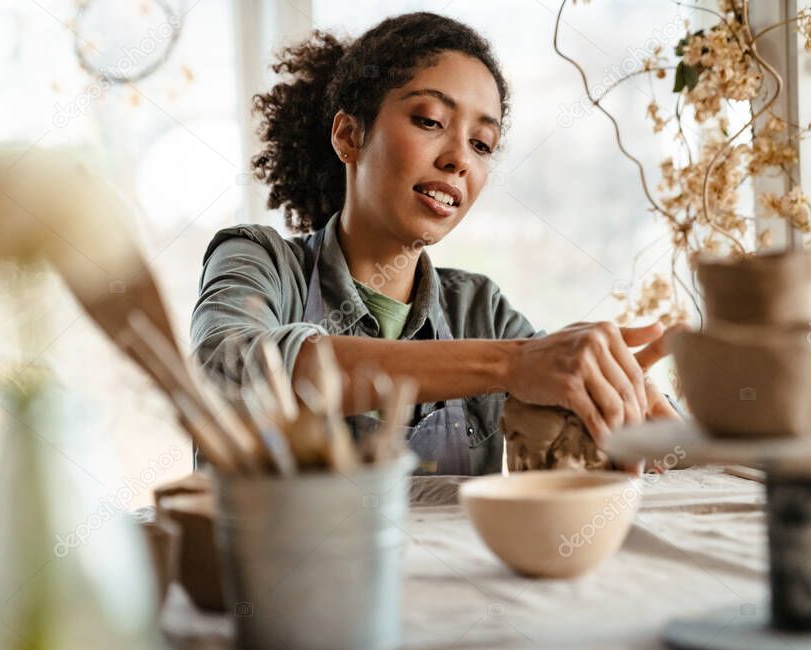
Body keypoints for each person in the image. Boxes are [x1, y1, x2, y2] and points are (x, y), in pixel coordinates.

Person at [190, 12, 677, 476]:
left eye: (482, 144)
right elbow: (230, 372)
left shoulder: (479, 310)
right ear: (349, 135)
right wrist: (508, 363)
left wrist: (618, 404)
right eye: (429, 120)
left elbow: (562, 401)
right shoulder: (262, 262)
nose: (459, 159)